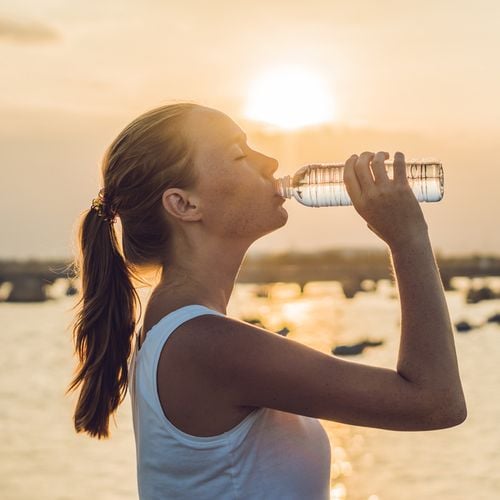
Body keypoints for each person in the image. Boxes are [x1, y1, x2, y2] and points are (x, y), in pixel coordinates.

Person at [67, 102, 467, 499]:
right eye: (240, 154)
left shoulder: (177, 329)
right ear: (184, 204)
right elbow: (434, 401)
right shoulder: (203, 344)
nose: (271, 161)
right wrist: (407, 236)